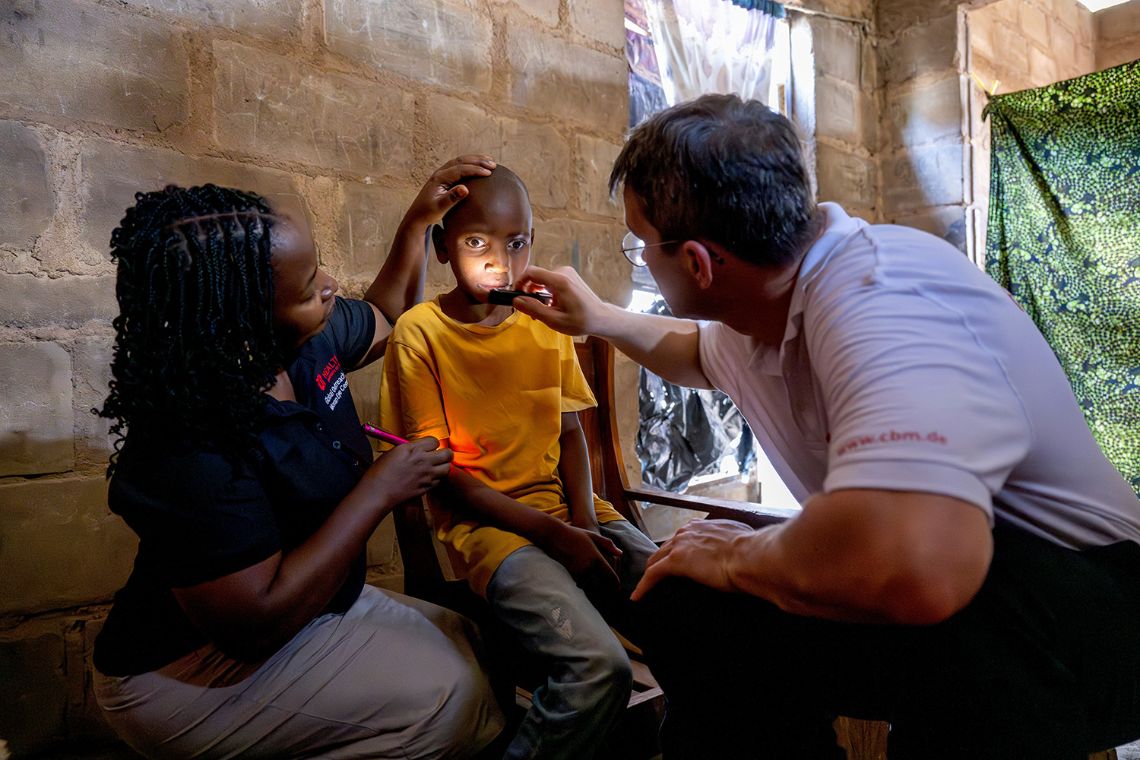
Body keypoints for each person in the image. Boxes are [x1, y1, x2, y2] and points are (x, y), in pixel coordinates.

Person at [509, 94, 1140, 759]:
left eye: (641, 246)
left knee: (943, 638)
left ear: (696, 262)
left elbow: (919, 568)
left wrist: (740, 554)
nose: (642, 261)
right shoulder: (766, 307)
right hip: (962, 589)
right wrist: (600, 318)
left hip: (1089, 614)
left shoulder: (878, 294)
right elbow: (693, 350)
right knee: (686, 595)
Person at [91, 157, 507, 759]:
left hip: (304, 608)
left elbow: (387, 314)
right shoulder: (191, 445)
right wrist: (379, 491)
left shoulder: (307, 342)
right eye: (311, 286)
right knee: (449, 701)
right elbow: (254, 624)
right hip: (189, 669)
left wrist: (418, 221)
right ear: (242, 327)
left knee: (473, 642)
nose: (330, 287)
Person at [378, 165, 660, 760]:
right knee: (597, 669)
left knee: (691, 609)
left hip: (572, 513)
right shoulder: (420, 332)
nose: (500, 262)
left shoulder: (542, 318)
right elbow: (443, 477)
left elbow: (572, 437)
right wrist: (554, 534)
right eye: (476, 242)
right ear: (442, 248)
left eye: (518, 242)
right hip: (491, 532)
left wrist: (582, 517)